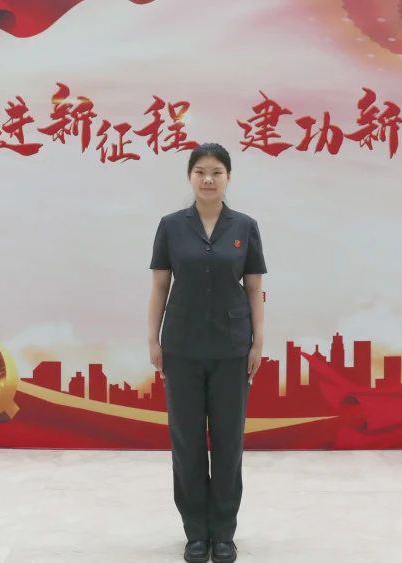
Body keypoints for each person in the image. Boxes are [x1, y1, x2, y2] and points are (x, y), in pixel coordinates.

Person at [148, 143, 267, 563]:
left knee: (229, 442)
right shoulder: (171, 226)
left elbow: (254, 288)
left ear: (228, 177)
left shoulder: (245, 226)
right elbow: (160, 286)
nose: (208, 179)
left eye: (216, 171)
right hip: (181, 347)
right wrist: (153, 339)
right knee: (187, 442)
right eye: (200, 171)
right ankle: (196, 532)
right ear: (190, 177)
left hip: (231, 348)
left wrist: (258, 341)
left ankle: (224, 533)